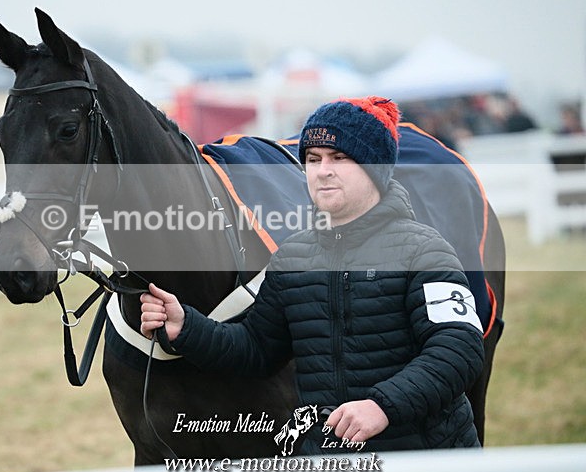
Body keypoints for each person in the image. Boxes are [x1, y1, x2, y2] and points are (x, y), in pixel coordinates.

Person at [140, 96, 485, 453]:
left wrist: (382, 406)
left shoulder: (425, 250)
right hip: (330, 463)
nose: (323, 171)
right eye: (313, 159)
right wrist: (187, 328)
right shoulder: (293, 257)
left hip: (427, 462)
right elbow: (257, 349)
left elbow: (459, 349)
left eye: (339, 158)